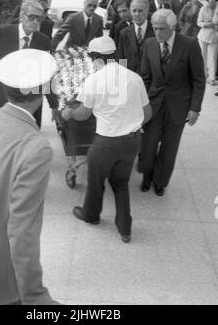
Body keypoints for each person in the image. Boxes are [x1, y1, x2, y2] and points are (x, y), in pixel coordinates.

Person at [0, 49, 60, 305]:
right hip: (6, 276)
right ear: (41, 89)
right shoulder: (37, 146)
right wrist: (35, 294)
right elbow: (22, 230)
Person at [61, 36, 152, 242]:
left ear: (95, 57)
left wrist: (69, 113)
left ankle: (90, 215)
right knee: (120, 183)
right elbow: (147, 113)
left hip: (106, 144)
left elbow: (83, 114)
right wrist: (131, 122)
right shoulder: (134, 77)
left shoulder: (94, 80)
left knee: (96, 182)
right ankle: (125, 229)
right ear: (114, 54)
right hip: (131, 142)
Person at [140, 9, 205, 196]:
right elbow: (145, 77)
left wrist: (195, 109)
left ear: (173, 26)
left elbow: (199, 80)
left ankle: (160, 181)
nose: (158, 33)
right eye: (155, 28)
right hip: (153, 105)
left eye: (162, 29)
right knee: (148, 144)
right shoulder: (149, 44)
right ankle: (146, 177)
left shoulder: (190, 44)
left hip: (178, 106)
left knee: (169, 147)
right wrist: (141, 104)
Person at [0, 1, 59, 127]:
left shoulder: (43, 41)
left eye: (39, 18)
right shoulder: (2, 33)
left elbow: (46, 75)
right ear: (22, 16)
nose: (35, 21)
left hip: (29, 105)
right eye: (31, 17)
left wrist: (54, 104)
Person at [117, 0, 155, 74]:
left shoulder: (155, 31)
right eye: (134, 11)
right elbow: (121, 58)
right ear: (130, 12)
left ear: (147, 11)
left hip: (150, 79)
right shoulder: (124, 33)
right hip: (131, 77)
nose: (137, 14)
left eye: (140, 11)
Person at [197, 0, 218, 85]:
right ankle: (203, 75)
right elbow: (198, 22)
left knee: (213, 57)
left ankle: (211, 78)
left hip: (216, 36)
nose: (212, 1)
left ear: (217, 0)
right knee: (203, 56)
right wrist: (207, 25)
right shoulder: (203, 9)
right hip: (203, 35)